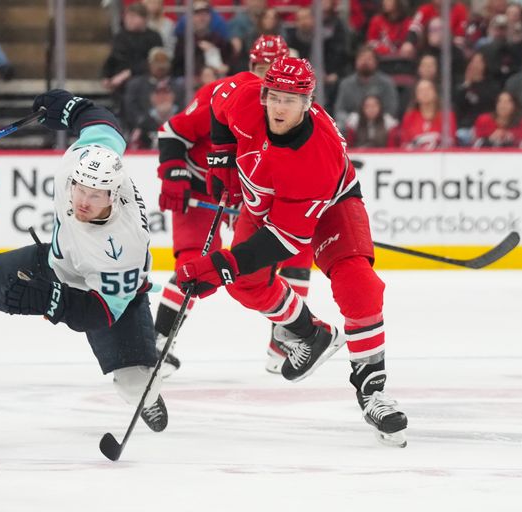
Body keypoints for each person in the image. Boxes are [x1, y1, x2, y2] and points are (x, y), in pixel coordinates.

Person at [175, 57, 409, 446]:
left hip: (331, 203)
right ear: (264, 94)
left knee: (358, 283)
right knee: (244, 285)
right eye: (275, 96)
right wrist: (221, 160)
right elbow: (218, 99)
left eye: (292, 99)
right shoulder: (248, 99)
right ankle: (310, 333)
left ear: (308, 103)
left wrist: (221, 264)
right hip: (264, 203)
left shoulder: (318, 155)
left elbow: (284, 241)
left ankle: (372, 391)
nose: (280, 107)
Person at [0, 90, 169, 433]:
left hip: (107, 296)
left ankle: (148, 391)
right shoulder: (81, 161)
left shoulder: (122, 246)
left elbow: (99, 313)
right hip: (57, 262)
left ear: (113, 194)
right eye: (80, 189)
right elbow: (103, 124)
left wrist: (54, 303)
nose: (82, 200)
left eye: (95, 195)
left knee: (133, 385)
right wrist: (71, 106)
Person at [155, 34, 308, 375]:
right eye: (260, 67)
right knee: (197, 266)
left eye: (273, 68)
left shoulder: (292, 108)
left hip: (250, 196)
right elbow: (172, 131)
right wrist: (174, 174)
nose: (265, 74)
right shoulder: (221, 92)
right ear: (250, 66)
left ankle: (283, 344)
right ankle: (157, 343)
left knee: (297, 253)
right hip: (202, 188)